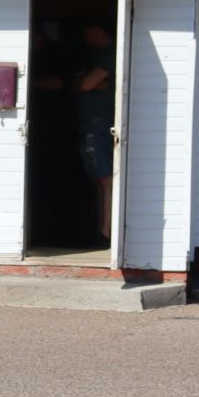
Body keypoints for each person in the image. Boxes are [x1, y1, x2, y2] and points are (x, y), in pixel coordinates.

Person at [73, 22, 117, 243]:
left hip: (99, 123)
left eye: (88, 30)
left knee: (105, 177)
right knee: (99, 178)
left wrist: (85, 81)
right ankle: (103, 229)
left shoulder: (109, 54)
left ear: (100, 30)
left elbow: (86, 83)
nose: (86, 36)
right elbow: (76, 84)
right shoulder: (96, 56)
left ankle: (106, 231)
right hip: (92, 122)